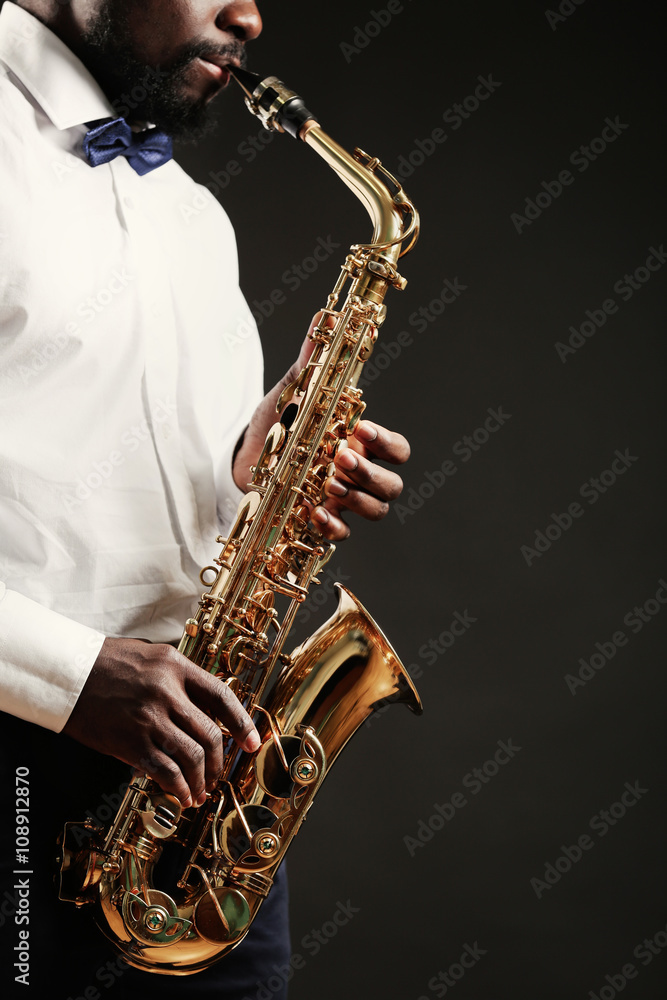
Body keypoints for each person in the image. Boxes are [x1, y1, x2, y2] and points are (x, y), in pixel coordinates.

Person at [0, 2, 410, 997]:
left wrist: (258, 466)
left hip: (188, 792)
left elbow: (166, 487)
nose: (248, 16)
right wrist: (69, 674)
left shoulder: (190, 213)